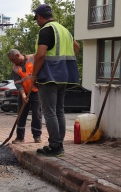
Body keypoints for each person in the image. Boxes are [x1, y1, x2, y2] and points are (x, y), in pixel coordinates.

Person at [31, 4, 80, 157]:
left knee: (49, 111)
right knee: (59, 110)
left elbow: (40, 55)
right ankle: (59, 144)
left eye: (36, 19)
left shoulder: (46, 30)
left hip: (49, 77)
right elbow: (76, 47)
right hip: (64, 76)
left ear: (39, 17)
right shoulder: (65, 31)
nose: (37, 21)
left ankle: (55, 146)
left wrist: (33, 76)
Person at [8, 49, 42, 144]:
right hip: (24, 93)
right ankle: (20, 137)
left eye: (14, 60)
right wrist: (23, 95)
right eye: (11, 61)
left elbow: (41, 69)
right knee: (21, 114)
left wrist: (38, 80)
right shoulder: (15, 68)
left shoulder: (33, 58)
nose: (13, 62)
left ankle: (37, 136)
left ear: (18, 55)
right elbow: (18, 83)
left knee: (37, 114)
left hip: (36, 92)